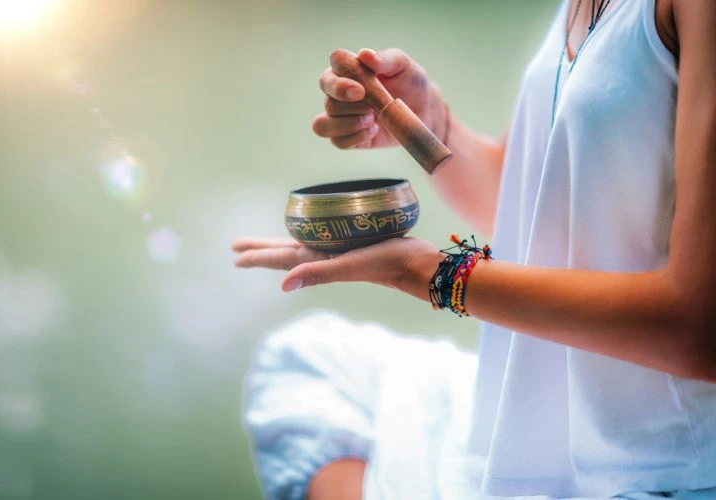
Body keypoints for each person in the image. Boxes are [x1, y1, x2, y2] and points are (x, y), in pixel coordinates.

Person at [233, 0, 716, 498]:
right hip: (538, 422)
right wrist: (430, 123)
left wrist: (424, 273)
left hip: (652, 469)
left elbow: (700, 328)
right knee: (307, 361)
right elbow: (535, 212)